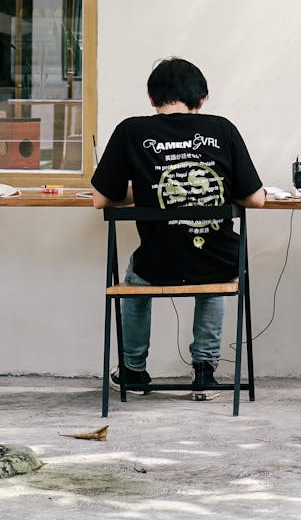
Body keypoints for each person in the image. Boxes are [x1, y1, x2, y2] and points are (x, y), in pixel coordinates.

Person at [92, 56, 265, 398]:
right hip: (216, 259)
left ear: (150, 96)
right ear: (202, 100)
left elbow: (100, 199)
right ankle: (204, 372)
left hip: (159, 262)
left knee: (135, 277)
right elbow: (256, 199)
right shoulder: (222, 129)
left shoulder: (131, 130)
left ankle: (133, 370)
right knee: (215, 280)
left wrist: (146, 194)